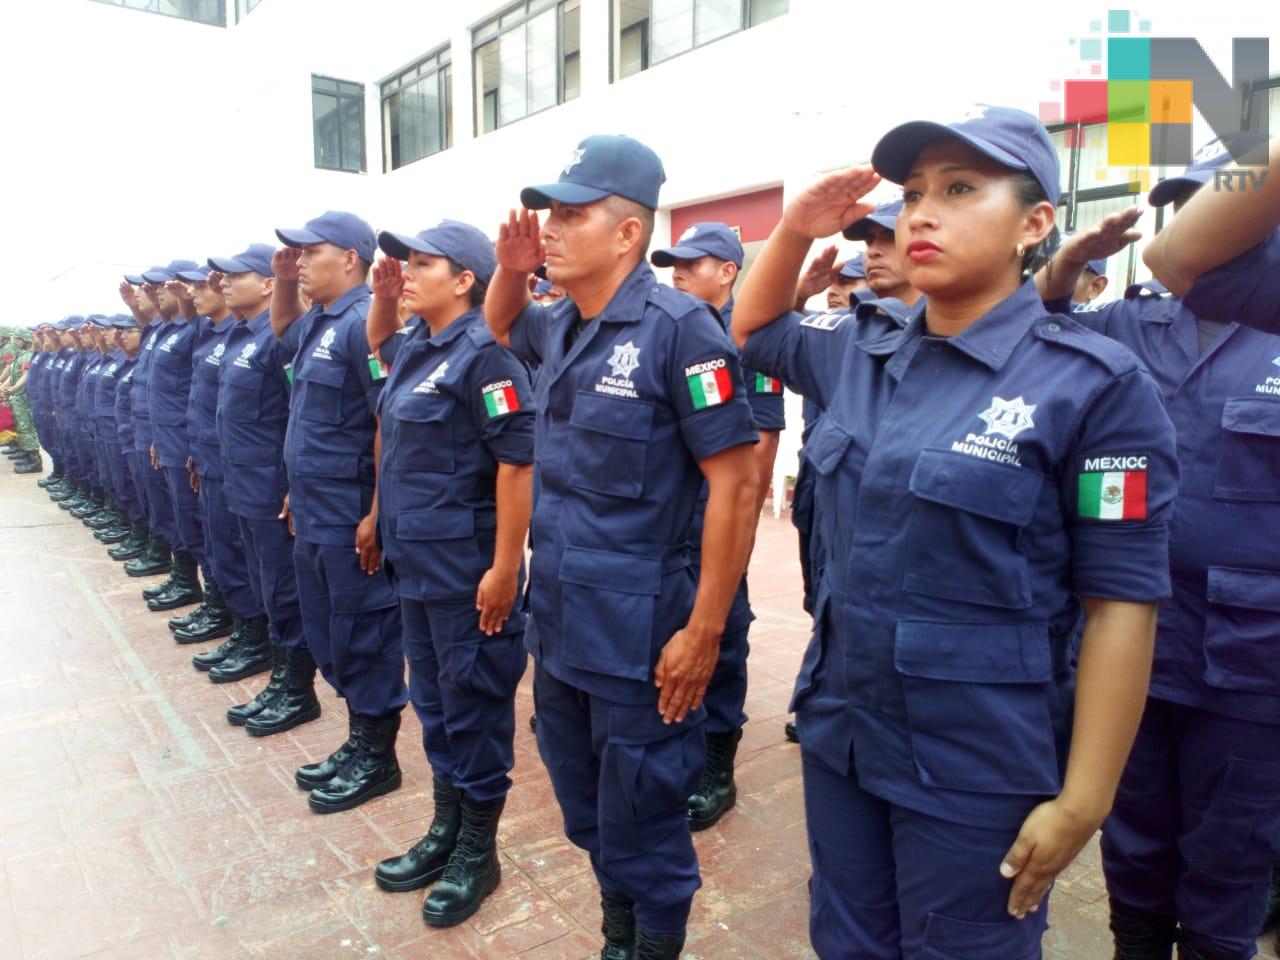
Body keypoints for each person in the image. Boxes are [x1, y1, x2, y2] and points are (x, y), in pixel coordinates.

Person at [732, 105, 1179, 959]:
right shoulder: (859, 348)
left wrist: (1084, 800)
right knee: (850, 940)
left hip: (977, 761)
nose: (921, 213)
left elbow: (1122, 601)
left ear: (1035, 224)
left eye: (961, 188)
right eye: (913, 193)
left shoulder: (1094, 385)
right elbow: (751, 333)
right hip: (844, 734)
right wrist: (792, 227)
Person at [485, 134, 759, 959]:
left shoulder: (682, 331)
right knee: (585, 805)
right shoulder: (565, 323)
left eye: (572, 215)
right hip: (564, 624)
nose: (552, 229)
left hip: (644, 637)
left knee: (646, 814)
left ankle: (652, 941)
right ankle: (618, 929)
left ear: (628, 232)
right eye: (550, 214)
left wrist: (705, 630)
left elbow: (736, 487)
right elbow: (500, 322)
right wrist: (511, 264)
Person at [1033, 134, 1280, 960]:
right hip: (1133, 636)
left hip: (1256, 660)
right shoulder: (1129, 325)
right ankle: (1135, 943)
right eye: (1179, 204)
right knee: (1133, 831)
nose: (1190, 219)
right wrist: (1066, 266)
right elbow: (1035, 334)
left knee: (1231, 849)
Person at [364, 220, 534, 926]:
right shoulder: (414, 349)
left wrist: (503, 568)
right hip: (416, 567)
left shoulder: (486, 359)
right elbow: (391, 427)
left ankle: (478, 852)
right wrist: (377, 514)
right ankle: (446, 830)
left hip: (467, 575)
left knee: (474, 706)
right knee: (434, 707)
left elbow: (517, 464)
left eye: (421, 263)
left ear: (464, 278)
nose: (406, 272)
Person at [649, 220, 785, 831]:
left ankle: (718, 765)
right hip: (670, 516)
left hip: (718, 513)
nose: (677, 272)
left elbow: (759, 449)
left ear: (727, 271)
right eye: (673, 263)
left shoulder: (749, 341)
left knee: (722, 631)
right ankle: (682, 740)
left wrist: (742, 532)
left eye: (692, 263)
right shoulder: (663, 330)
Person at [271, 211, 408, 813]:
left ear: (350, 257)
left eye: (311, 251)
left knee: (365, 638)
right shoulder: (318, 323)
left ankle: (379, 758)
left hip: (350, 513)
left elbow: (388, 422)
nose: (300, 261)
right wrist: (295, 489)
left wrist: (378, 512)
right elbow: (283, 340)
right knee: (330, 636)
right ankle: (358, 741)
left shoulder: (362, 324)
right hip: (313, 509)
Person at [209, 243, 317, 731]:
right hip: (242, 484)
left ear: (269, 284)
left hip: (272, 489)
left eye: (235, 275)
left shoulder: (278, 339)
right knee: (263, 586)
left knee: (282, 589)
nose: (223, 283)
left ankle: (298, 689)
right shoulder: (240, 338)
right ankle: (280, 676)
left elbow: (300, 413)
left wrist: (294, 485)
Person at [0, 329, 40, 473]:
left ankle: (35, 460)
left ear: (24, 340)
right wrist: (4, 388)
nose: (14, 342)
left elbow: (25, 376)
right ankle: (26, 453)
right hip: (17, 397)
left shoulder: (28, 356)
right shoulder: (21, 355)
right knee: (20, 426)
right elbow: (13, 375)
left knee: (26, 427)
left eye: (17, 339)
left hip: (23, 398)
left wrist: (12, 389)